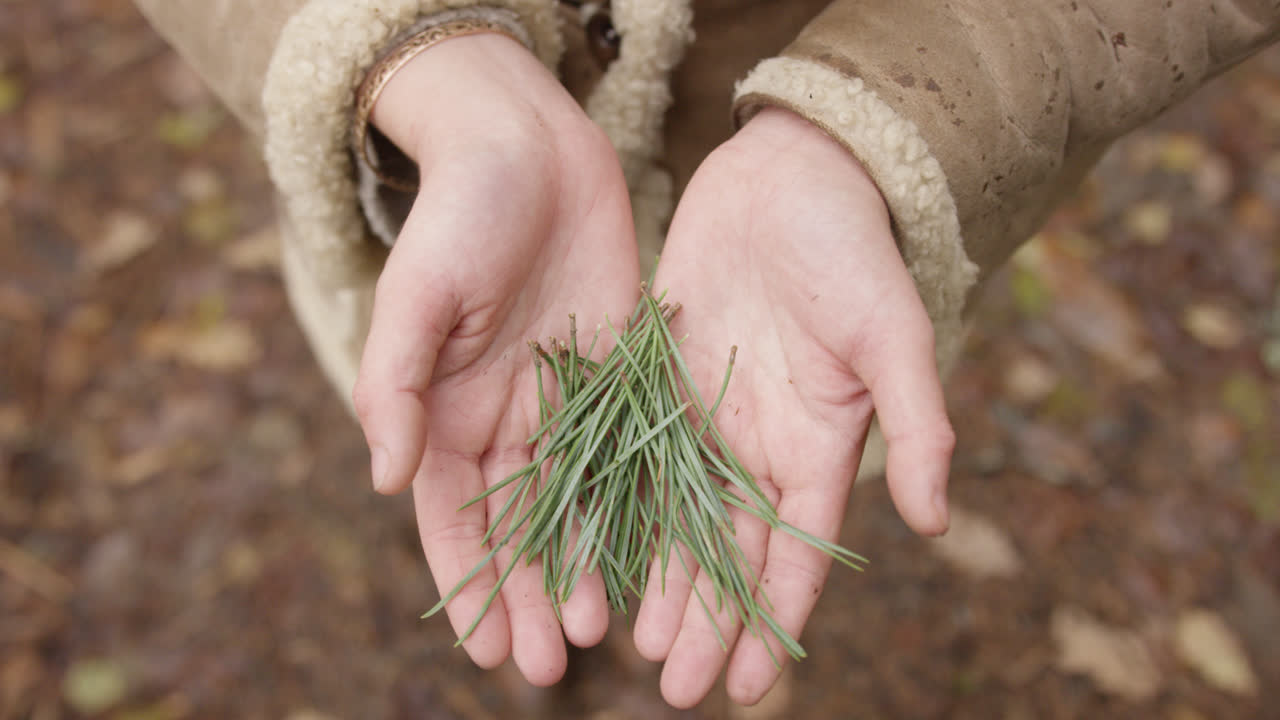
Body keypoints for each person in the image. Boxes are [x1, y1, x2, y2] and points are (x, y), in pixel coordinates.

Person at [133, 0, 1280, 709]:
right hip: (447, 231)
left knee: (722, 493)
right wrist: (402, 54)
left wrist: (886, 120)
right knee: (476, 453)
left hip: (805, 288)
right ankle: (573, 647)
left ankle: (607, 619)